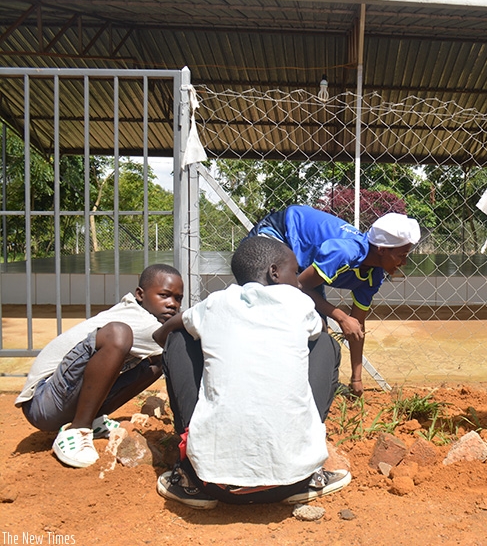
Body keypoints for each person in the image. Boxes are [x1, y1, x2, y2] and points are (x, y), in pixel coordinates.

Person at [153, 235, 348, 509]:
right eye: (294, 272)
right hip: (294, 479)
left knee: (179, 338)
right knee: (325, 344)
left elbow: (165, 330)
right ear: (274, 273)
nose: (298, 281)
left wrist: (164, 337)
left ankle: (186, 472)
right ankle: (311, 467)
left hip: (211, 481)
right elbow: (318, 331)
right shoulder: (299, 302)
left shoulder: (214, 303)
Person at [15, 264, 184, 468]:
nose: (172, 304)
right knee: (118, 334)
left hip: (64, 399)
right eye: (164, 295)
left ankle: (93, 420)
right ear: (140, 294)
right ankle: (78, 428)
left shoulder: (149, 319)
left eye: (178, 298)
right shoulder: (141, 321)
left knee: (158, 362)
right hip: (43, 402)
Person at [246, 205, 420, 396]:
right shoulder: (345, 253)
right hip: (280, 233)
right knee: (272, 306)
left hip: (304, 263)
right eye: (401, 255)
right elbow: (297, 287)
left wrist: (357, 378)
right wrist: (341, 317)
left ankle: (319, 387)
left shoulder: (374, 276)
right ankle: (261, 384)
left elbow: (357, 326)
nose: (404, 262)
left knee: (318, 327)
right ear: (381, 249)